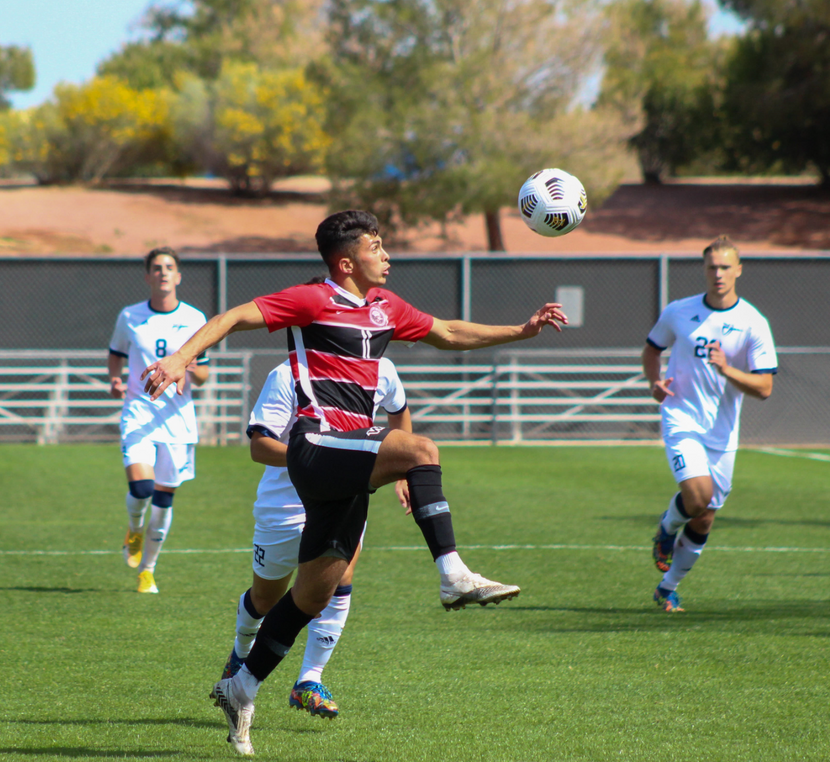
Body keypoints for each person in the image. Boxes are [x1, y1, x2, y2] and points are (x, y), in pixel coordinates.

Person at [141, 209, 567, 756]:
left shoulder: (386, 307)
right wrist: (181, 357)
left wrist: (522, 330)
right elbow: (231, 317)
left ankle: (241, 686)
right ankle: (453, 575)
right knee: (422, 448)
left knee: (313, 594)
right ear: (346, 263)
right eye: (376, 245)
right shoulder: (312, 298)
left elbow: (450, 332)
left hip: (347, 463)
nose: (386, 254)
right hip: (315, 447)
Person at [217, 356, 411, 720]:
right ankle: (240, 653)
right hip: (283, 507)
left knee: (339, 581)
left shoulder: (381, 367)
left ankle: (309, 680)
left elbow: (399, 411)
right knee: (265, 599)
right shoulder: (286, 373)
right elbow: (259, 446)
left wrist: (402, 469)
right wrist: (318, 460)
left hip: (344, 500)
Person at [642, 235, 777, 613]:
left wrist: (727, 368)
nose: (717, 274)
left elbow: (765, 386)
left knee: (704, 517)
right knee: (697, 496)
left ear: (738, 270)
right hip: (681, 416)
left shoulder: (753, 323)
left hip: (723, 432)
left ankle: (667, 589)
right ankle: (666, 529)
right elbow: (652, 349)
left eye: (724, 267)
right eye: (711, 267)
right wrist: (654, 382)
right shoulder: (679, 312)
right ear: (704, 270)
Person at [108, 246, 210, 594]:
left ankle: (147, 571)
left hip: (177, 419)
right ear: (148, 276)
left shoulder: (196, 319)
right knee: (142, 489)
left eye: (169, 267)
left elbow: (205, 373)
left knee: (165, 499)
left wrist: (193, 372)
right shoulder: (130, 316)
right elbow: (116, 354)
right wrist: (115, 378)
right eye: (156, 267)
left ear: (178, 276)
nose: (163, 273)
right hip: (139, 410)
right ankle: (134, 528)